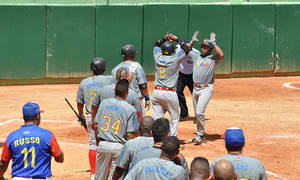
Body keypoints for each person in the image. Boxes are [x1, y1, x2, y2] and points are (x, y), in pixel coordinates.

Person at [0, 102, 64, 180]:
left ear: (23, 117)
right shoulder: (47, 135)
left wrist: (1, 176)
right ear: (37, 116)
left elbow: (3, 162)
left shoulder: (12, 137)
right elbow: (60, 159)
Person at [76, 57, 114, 180]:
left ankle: (93, 173)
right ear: (104, 68)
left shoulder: (84, 82)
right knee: (110, 142)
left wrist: (81, 115)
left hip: (90, 116)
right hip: (106, 115)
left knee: (93, 144)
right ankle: (109, 169)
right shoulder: (109, 79)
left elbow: (79, 102)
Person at [93, 79, 139, 180]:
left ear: (114, 91)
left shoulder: (103, 103)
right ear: (127, 93)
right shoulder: (130, 109)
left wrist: (98, 143)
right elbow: (131, 135)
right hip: (119, 148)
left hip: (103, 145)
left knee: (99, 178)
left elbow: (96, 126)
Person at [187, 32, 224, 144]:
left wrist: (214, 43)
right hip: (195, 89)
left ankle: (201, 134)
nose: (202, 48)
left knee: (199, 112)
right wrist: (192, 41)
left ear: (210, 49)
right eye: (202, 46)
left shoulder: (213, 59)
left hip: (206, 89)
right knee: (197, 114)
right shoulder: (196, 56)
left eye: (205, 47)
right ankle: (200, 134)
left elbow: (221, 54)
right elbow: (186, 50)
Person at [151, 33, 192, 136]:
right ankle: (173, 140)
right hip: (169, 93)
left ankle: (156, 139)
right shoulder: (175, 59)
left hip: (156, 92)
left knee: (157, 119)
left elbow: (156, 45)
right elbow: (187, 49)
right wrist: (177, 39)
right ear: (173, 51)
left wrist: (164, 39)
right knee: (174, 118)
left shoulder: (157, 57)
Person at [124, 136, 188, 180]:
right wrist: (181, 164)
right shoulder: (179, 171)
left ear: (161, 147)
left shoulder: (143, 163)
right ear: (177, 152)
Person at [112, 44, 150, 115]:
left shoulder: (115, 69)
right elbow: (143, 86)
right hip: (135, 101)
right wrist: (147, 98)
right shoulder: (137, 67)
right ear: (134, 55)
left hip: (120, 100)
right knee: (139, 122)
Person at [176, 42, 200, 121]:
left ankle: (198, 115)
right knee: (178, 92)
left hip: (192, 76)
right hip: (181, 75)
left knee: (195, 95)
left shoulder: (196, 53)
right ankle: (184, 114)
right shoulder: (179, 51)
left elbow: (199, 65)